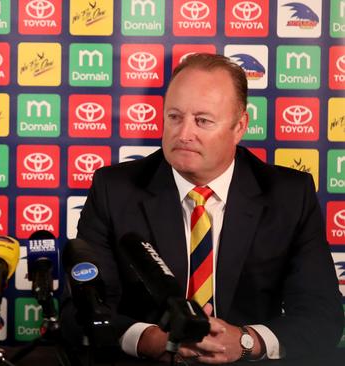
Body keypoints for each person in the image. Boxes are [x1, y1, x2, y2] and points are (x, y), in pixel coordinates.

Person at [66, 53, 343, 363]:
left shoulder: (289, 196)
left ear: (239, 126)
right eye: (174, 116)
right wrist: (152, 340)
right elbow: (83, 310)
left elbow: (321, 316)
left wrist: (247, 341)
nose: (184, 134)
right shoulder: (114, 190)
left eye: (202, 120)